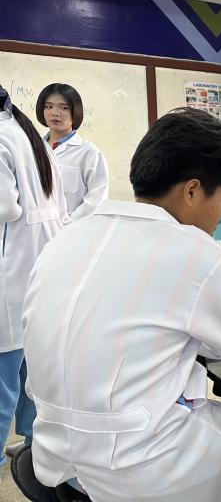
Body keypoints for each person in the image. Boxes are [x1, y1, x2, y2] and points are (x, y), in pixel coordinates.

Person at [22, 108, 221, 502]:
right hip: (135, 462)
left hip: (54, 451)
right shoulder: (196, 251)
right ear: (192, 191)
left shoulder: (67, 237)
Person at [0, 86, 66, 469]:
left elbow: (5, 208)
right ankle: (33, 447)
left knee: (5, 380)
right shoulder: (28, 135)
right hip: (42, 271)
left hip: (11, 274)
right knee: (33, 374)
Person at [36, 83, 109, 220]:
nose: (55, 113)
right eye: (49, 106)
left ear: (76, 111)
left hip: (72, 229)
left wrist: (69, 226)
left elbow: (97, 200)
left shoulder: (89, 153)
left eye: (64, 107)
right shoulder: (32, 148)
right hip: (35, 228)